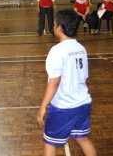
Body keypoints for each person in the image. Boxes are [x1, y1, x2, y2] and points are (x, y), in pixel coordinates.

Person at [37, 9, 97, 156]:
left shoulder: (57, 51)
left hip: (64, 107)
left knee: (50, 143)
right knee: (83, 138)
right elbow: (83, 76)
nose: (53, 24)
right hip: (83, 103)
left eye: (55, 22)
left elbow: (54, 82)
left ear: (60, 27)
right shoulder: (81, 48)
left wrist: (43, 106)